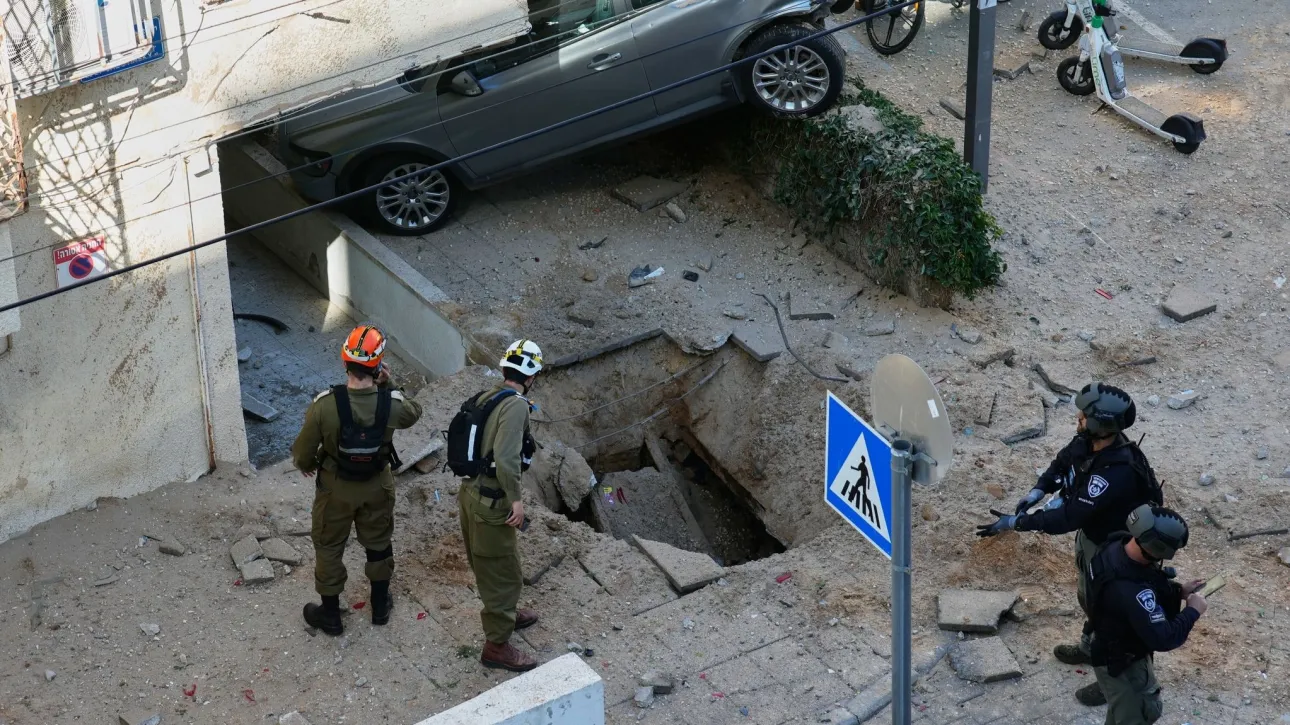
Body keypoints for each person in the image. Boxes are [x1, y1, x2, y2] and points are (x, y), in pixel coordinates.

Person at [975, 383, 1162, 705]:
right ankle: (1092, 649)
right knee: (1091, 600)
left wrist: (1016, 522)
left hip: (1123, 555)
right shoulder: (1091, 443)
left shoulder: (1115, 472)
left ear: (1101, 424)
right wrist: (1038, 490)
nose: (1077, 418)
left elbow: (1068, 518)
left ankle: (1116, 681)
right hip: (1096, 539)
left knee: (1121, 620)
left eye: (1084, 416)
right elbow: (1063, 462)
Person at [291, 324, 422, 636]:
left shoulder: (324, 405)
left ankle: (331, 616)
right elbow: (415, 412)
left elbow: (302, 452)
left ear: (344, 361)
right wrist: (392, 384)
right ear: (377, 367)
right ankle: (379, 607)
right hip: (377, 484)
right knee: (378, 543)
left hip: (336, 487)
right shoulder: (391, 403)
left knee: (328, 545)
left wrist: (308, 465)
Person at [458, 339, 544, 672]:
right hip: (492, 502)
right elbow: (507, 460)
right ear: (532, 376)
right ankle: (496, 646)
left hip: (470, 494)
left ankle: (507, 615)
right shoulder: (517, 406)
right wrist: (517, 502)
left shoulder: (489, 396)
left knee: (493, 566)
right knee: (503, 574)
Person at [1087, 504, 1206, 724]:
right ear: (1158, 549)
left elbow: (1144, 580)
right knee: (1137, 715)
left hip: (1107, 645)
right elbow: (1164, 637)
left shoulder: (1115, 545)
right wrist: (1193, 611)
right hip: (1124, 664)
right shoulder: (1132, 590)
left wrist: (1178, 591)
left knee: (1121, 713)